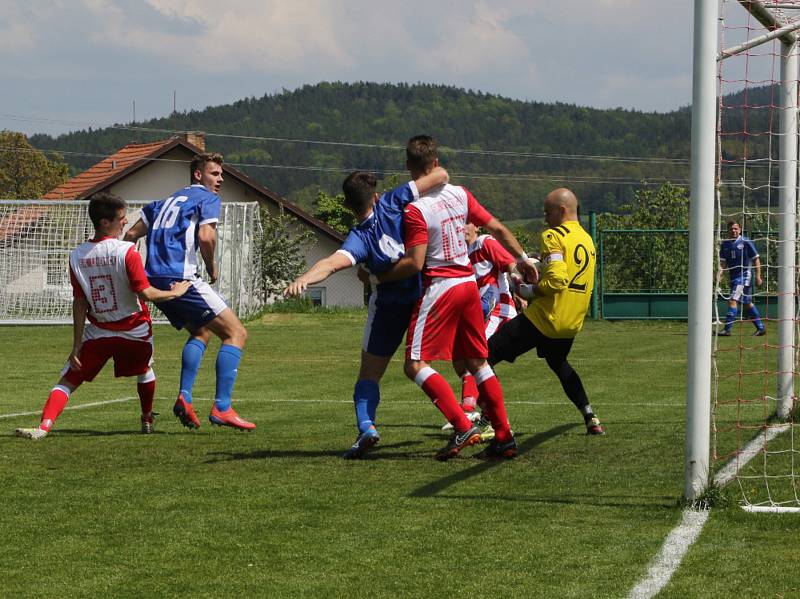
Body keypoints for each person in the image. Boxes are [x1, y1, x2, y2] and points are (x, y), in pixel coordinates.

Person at [376, 135, 538, 460]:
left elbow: (415, 263)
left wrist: (379, 276)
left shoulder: (415, 210)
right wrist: (522, 259)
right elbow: (497, 226)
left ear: (409, 167)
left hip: (442, 285)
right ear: (435, 163)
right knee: (478, 362)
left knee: (414, 364)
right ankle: (505, 437)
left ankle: (463, 427)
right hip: (468, 283)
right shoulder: (460, 195)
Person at [284, 165, 450, 458]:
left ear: (347, 205)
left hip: (387, 307)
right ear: (375, 195)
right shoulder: (392, 201)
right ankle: (465, 417)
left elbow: (332, 263)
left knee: (368, 376)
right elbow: (440, 175)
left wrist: (305, 278)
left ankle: (367, 427)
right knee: (428, 364)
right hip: (420, 299)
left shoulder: (359, 237)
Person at [15, 192, 190, 440]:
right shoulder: (127, 251)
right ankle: (147, 417)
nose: (125, 222)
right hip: (134, 329)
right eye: (121, 218)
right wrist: (175, 292)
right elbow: (146, 293)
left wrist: (76, 344)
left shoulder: (76, 256)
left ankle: (44, 426)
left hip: (99, 331)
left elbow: (79, 303)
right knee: (146, 369)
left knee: (68, 380)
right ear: (105, 222)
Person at [124, 152, 254, 431]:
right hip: (181, 280)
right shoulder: (206, 199)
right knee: (236, 333)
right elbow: (207, 237)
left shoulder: (161, 203)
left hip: (154, 280)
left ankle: (185, 397)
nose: (220, 179)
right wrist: (212, 266)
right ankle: (222, 408)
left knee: (202, 331)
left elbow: (131, 236)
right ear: (198, 175)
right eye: (215, 173)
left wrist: (133, 274)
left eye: (221, 175)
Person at [487, 187, 605, 436]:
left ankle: (492, 423)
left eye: (547, 212)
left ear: (562, 211)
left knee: (482, 358)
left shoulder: (554, 236)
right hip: (571, 322)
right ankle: (590, 415)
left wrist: (527, 290)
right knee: (558, 362)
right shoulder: (587, 239)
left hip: (545, 318)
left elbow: (556, 281)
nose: (545, 219)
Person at [444, 223, 518, 437]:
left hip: (498, 311)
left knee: (475, 358)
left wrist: (519, 281)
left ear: (476, 226)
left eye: (465, 222)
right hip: (478, 316)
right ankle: (487, 414)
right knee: (461, 361)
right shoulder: (460, 254)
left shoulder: (485, 242)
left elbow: (509, 263)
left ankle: (474, 414)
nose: (461, 227)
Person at [716, 219, 765, 337]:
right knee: (747, 303)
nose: (734, 231)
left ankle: (727, 329)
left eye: (736, 229)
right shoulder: (725, 244)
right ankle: (761, 328)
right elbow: (723, 264)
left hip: (744, 277)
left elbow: (756, 259)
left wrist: (758, 276)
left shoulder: (746, 242)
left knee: (733, 300)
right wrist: (719, 276)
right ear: (728, 231)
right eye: (731, 229)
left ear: (740, 230)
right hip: (734, 278)